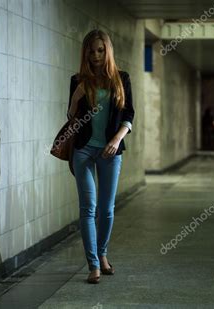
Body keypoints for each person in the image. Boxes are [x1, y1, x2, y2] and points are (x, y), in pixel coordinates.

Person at [67, 29, 135, 284]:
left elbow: (129, 115)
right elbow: (71, 119)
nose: (95, 56)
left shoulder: (121, 78)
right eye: (91, 51)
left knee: (106, 210)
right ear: (85, 52)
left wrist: (116, 141)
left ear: (107, 50)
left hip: (111, 150)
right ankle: (93, 264)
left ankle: (103, 254)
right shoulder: (77, 80)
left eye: (100, 50)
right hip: (83, 149)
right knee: (88, 208)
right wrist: (75, 99)